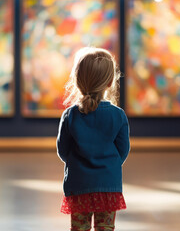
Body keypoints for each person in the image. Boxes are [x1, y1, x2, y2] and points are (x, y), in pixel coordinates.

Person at [57, 47, 130, 231]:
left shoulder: (70, 115)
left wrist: (78, 162)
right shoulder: (118, 115)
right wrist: (108, 164)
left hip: (78, 184)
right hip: (108, 185)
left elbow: (63, 150)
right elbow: (122, 151)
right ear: (110, 82)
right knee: (105, 228)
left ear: (78, 80)